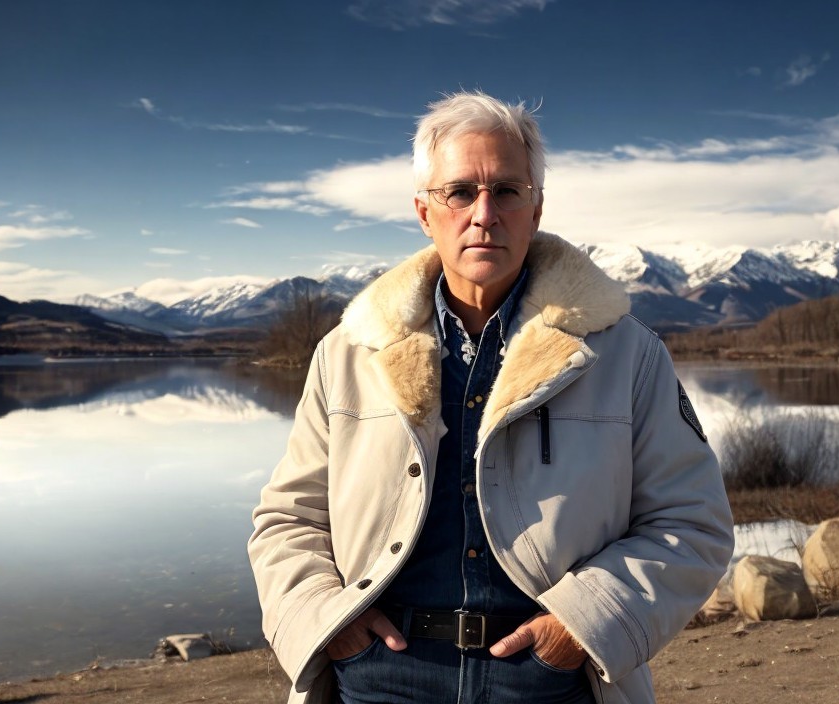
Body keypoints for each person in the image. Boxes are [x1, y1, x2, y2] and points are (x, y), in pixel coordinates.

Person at [248, 91, 734, 704]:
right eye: (459, 192)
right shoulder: (349, 353)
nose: (484, 213)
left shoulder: (626, 355)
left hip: (550, 681)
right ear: (425, 212)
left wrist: (580, 630)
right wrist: (331, 624)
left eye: (506, 191)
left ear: (535, 210)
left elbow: (692, 523)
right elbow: (287, 521)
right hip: (377, 679)